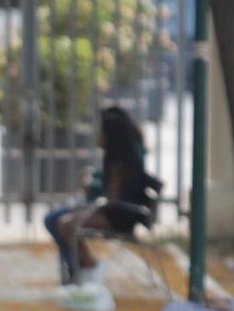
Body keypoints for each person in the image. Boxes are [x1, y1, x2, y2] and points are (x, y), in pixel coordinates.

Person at [43, 106, 162, 289]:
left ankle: (86, 267)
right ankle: (78, 269)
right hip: (111, 209)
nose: (98, 135)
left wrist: (90, 190)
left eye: (101, 131)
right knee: (54, 220)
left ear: (111, 134)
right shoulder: (118, 156)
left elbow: (111, 201)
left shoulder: (123, 161)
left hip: (119, 215)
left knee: (64, 224)